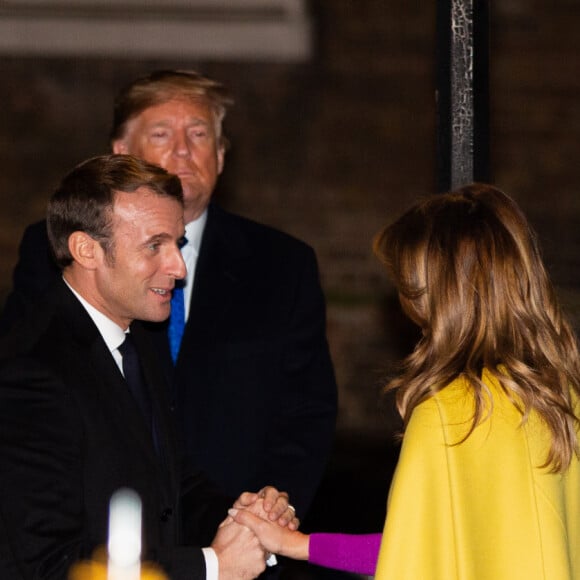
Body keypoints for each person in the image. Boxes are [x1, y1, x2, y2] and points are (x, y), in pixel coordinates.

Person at [0, 70, 337, 518]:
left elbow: (304, 416)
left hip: (235, 525)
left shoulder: (283, 264)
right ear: (121, 152)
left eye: (198, 134)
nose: (182, 149)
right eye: (162, 133)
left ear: (220, 155)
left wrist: (262, 521)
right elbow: (29, 392)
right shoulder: (61, 249)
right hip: (97, 532)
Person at [227, 183, 580, 579]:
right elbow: (415, 543)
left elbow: (407, 560)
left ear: (437, 296)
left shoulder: (448, 415)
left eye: (410, 284)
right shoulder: (558, 396)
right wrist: (298, 544)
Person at [0, 154, 298, 580]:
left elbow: (170, 486)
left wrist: (247, 518)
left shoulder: (137, 335)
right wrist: (211, 566)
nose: (177, 268)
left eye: (177, 243)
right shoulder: (29, 371)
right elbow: (44, 563)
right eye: (154, 245)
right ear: (87, 250)